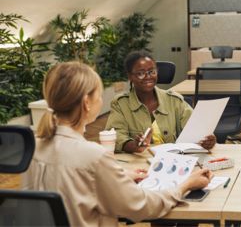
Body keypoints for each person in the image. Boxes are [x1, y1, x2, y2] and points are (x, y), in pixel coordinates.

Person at [22, 61, 212, 226]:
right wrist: (186, 185)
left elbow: (68, 188)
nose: (101, 99)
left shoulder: (32, 148)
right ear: (87, 103)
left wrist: (118, 176)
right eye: (98, 94)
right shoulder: (93, 156)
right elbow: (141, 207)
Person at [105, 50, 216, 153]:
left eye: (152, 71)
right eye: (140, 73)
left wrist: (206, 140)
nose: (147, 77)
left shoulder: (174, 100)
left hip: (174, 162)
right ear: (130, 76)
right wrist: (133, 145)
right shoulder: (121, 103)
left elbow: (196, 128)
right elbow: (115, 135)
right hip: (139, 162)